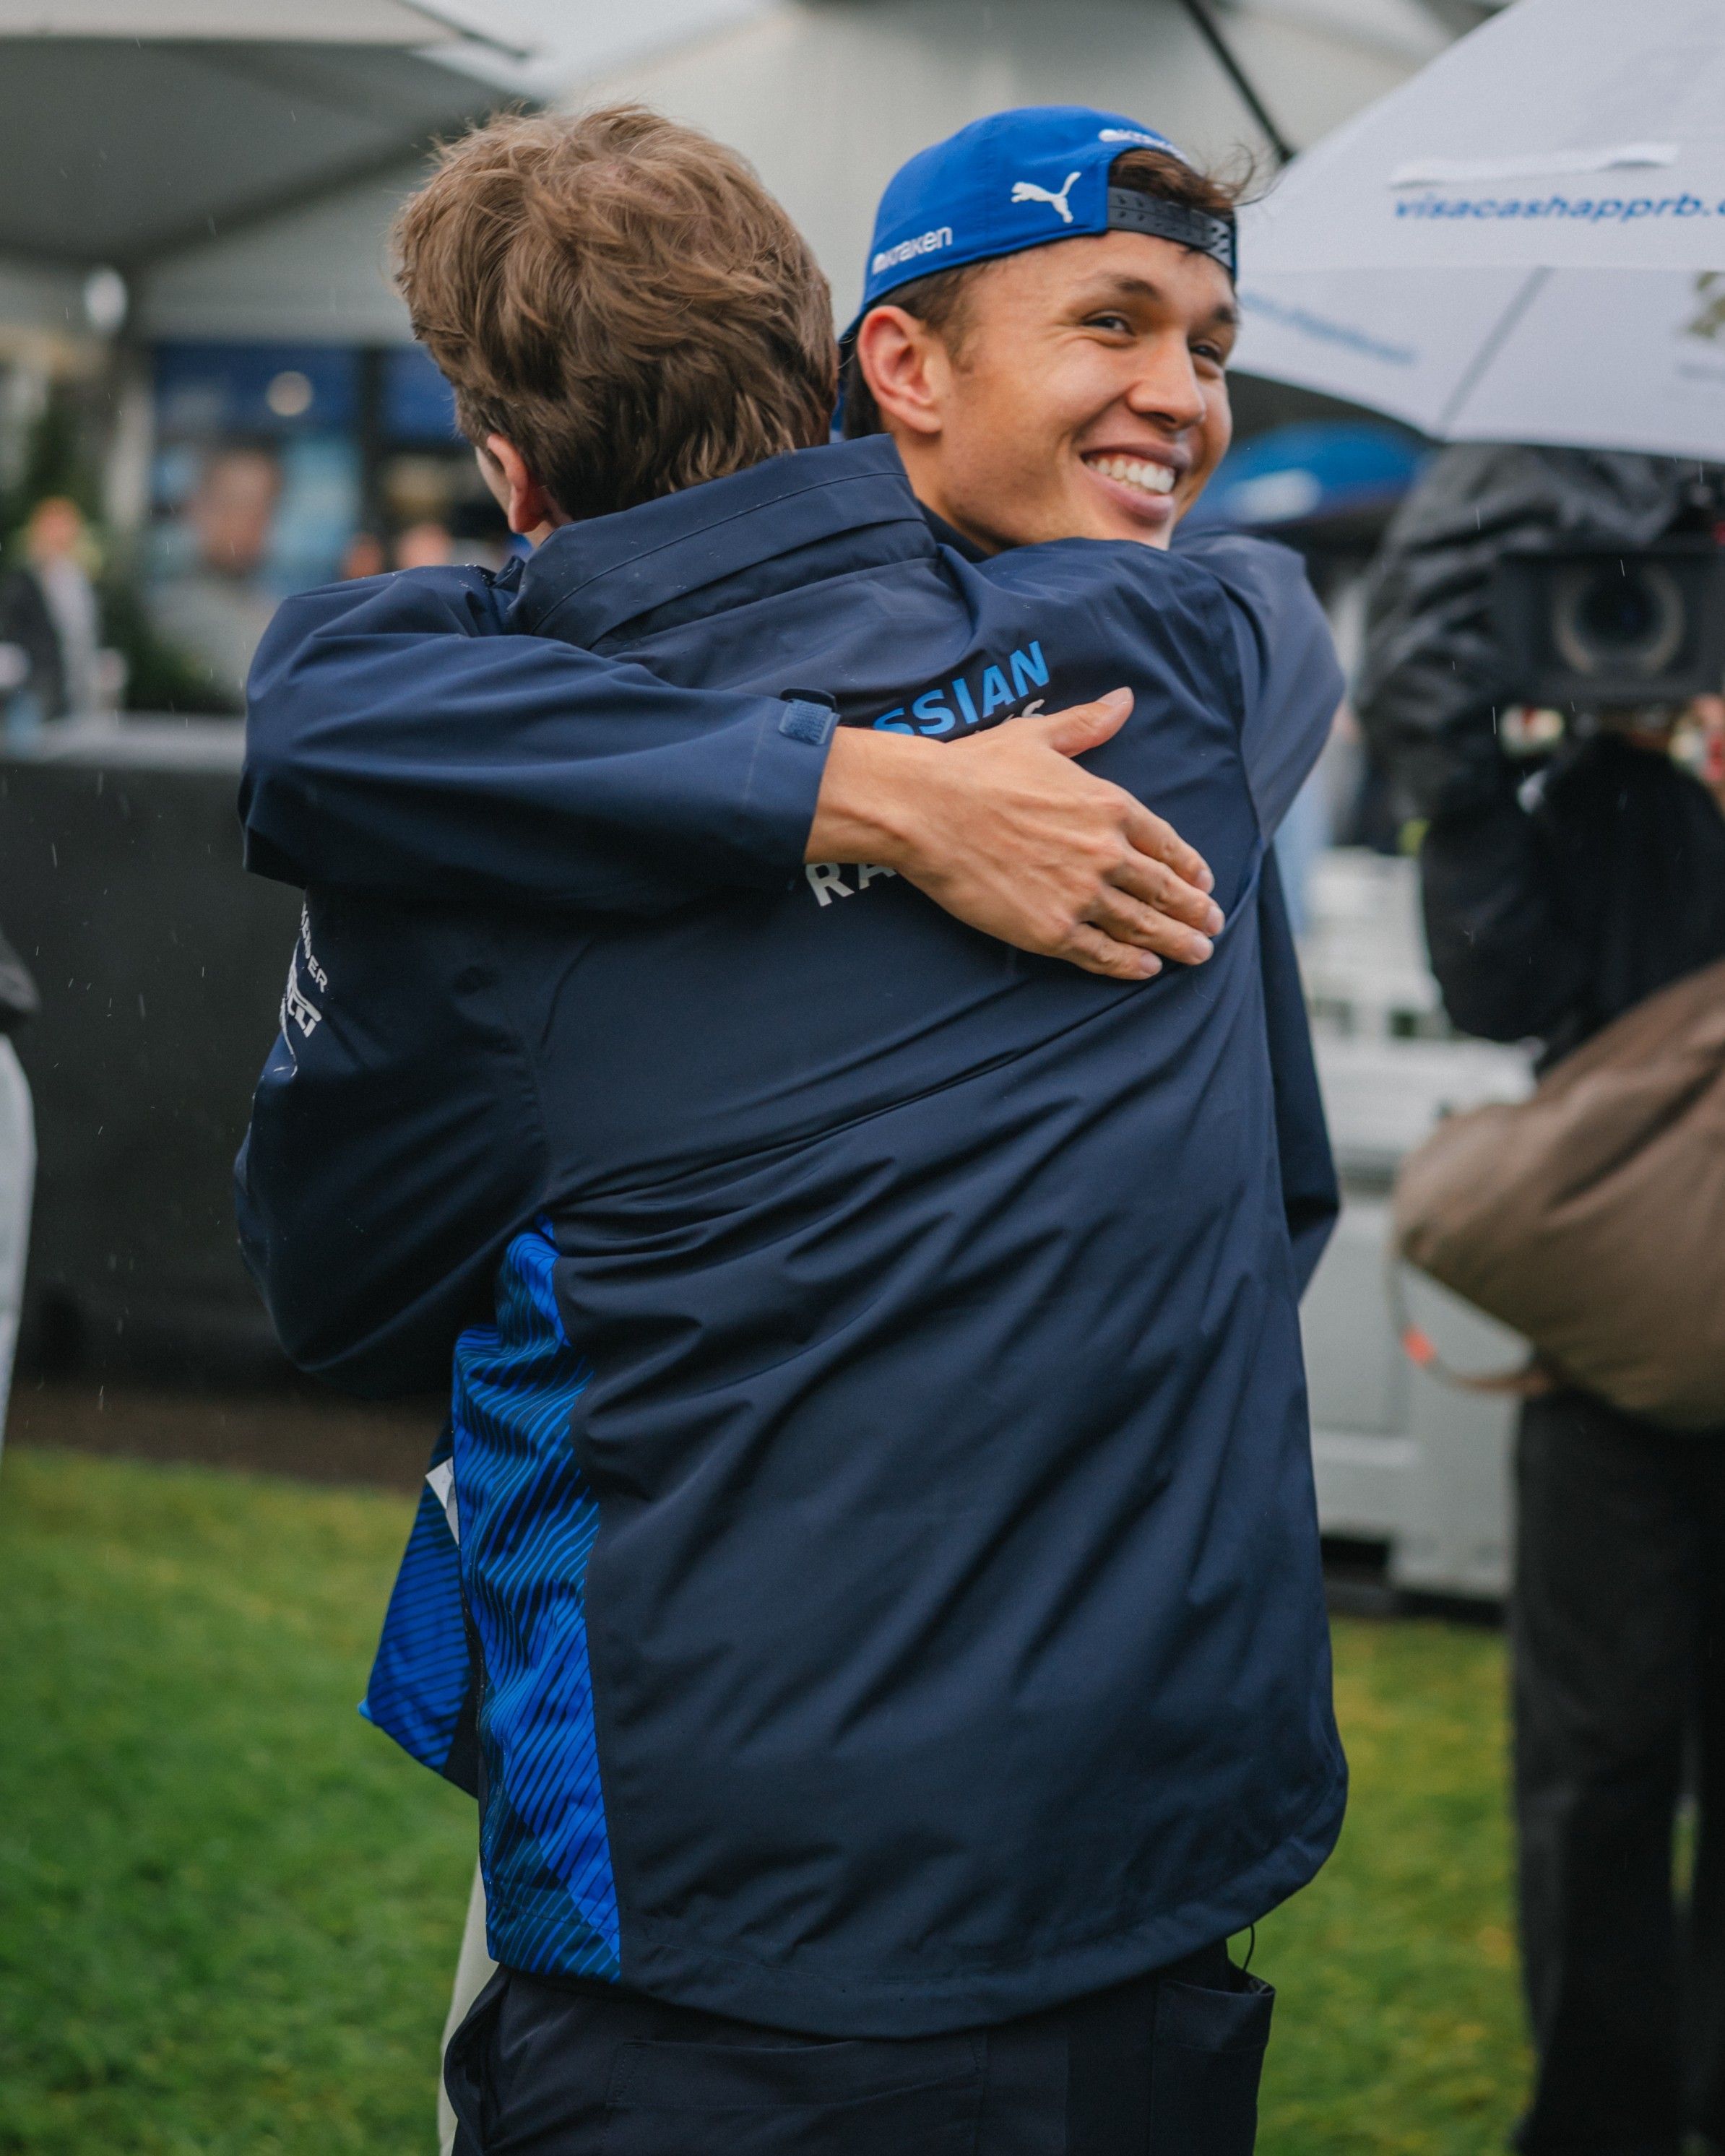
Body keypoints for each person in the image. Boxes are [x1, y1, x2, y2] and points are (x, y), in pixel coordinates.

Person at [239, 105, 1346, 2154]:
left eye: (1200, 343)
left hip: (727, 1948)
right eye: (1119, 325)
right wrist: (870, 793)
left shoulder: (467, 843)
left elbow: (329, 1270)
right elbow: (1284, 1206)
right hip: (1146, 1891)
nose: (1178, 402)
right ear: (857, 368)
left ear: (507, 465)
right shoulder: (1174, 664)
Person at [1357, 441, 1725, 2156]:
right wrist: (1529, 760)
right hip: (1616, 1364)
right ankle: (1594, 2123)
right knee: (1592, 1764)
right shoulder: (1600, 796)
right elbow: (1496, 977)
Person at [0, 497, 103, 722]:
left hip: (67, 693)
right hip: (32, 693)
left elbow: (82, 640)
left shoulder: (75, 581)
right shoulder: (24, 582)